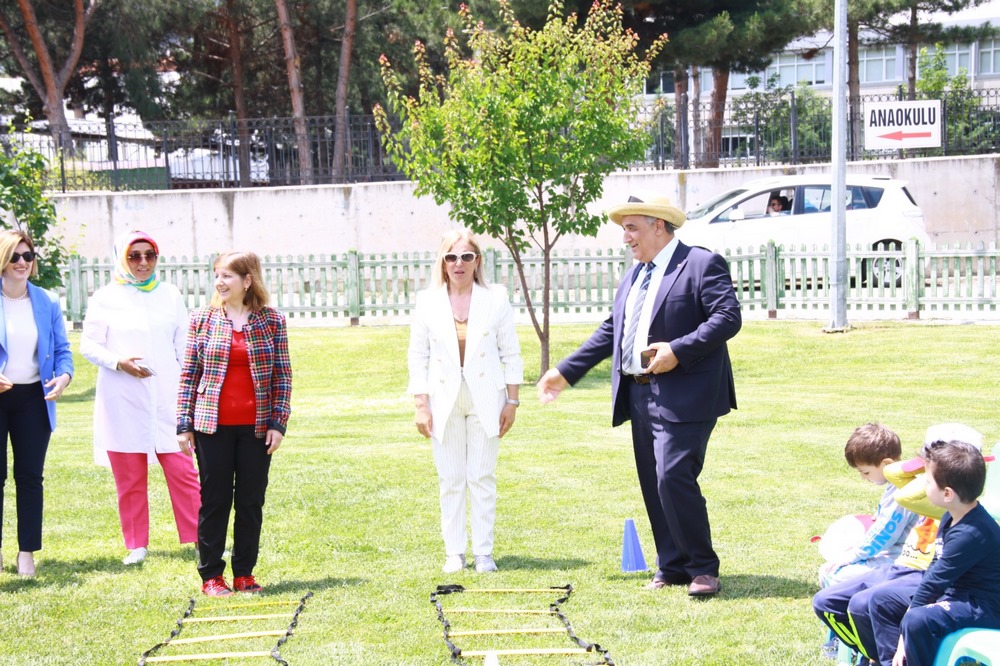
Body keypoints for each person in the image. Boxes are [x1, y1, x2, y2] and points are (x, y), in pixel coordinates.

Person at [537, 193, 741, 597]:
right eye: (624, 229)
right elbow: (613, 331)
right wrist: (566, 371)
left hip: (689, 393)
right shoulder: (633, 275)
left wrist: (677, 351)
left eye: (631, 227)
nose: (625, 237)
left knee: (672, 476)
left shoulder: (700, 264)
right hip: (640, 394)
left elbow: (727, 317)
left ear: (658, 226)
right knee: (653, 481)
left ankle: (703, 568)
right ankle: (673, 565)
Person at [813, 423, 982, 666]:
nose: (923, 479)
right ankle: (873, 653)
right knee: (829, 599)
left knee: (866, 600)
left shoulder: (966, 516)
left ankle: (879, 657)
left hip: (922, 575)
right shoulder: (930, 495)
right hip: (905, 565)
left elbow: (939, 577)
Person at [80, 231, 201, 566]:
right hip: (123, 397)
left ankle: (200, 538)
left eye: (150, 255)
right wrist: (118, 362)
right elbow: (88, 345)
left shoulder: (170, 295)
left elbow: (183, 346)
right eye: (135, 256)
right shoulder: (105, 297)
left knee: (183, 470)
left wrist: (188, 390)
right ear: (123, 258)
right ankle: (136, 544)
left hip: (167, 397)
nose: (143, 262)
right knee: (130, 475)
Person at [407, 230, 523, 574]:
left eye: (466, 257)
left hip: (487, 398)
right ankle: (454, 553)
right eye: (451, 257)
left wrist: (513, 402)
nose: (459, 264)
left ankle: (484, 552)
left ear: (478, 262)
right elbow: (418, 356)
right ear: (442, 263)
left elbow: (511, 352)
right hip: (443, 401)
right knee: (451, 478)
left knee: (482, 476)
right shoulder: (427, 301)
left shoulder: (496, 298)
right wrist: (421, 404)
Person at [177, 251, 292, 597]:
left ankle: (244, 574)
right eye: (217, 275)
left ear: (248, 280)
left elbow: (282, 377)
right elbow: (188, 375)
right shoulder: (202, 319)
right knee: (214, 500)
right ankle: (211, 576)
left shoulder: (272, 321)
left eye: (228, 276)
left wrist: (278, 422)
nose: (220, 282)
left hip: (257, 429)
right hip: (212, 427)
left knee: (250, 501)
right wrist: (184, 423)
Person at [0, 229, 73, 576]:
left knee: (30, 476)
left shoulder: (46, 301)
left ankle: (26, 552)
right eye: (15, 256)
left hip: (34, 398)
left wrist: (65, 376)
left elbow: (62, 352)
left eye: (28, 256)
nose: (22, 263)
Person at [891, 439, 1000, 666]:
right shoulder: (951, 516)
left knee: (916, 619)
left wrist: (903, 637)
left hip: (985, 606)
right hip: (958, 594)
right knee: (885, 601)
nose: (924, 484)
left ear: (948, 493)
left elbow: (935, 582)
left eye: (928, 481)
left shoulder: (971, 533)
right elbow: (934, 568)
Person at [819, 423, 918, 589]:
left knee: (834, 576)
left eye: (866, 472)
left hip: (903, 560)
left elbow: (884, 534)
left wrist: (852, 556)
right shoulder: (898, 484)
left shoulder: (901, 492)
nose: (864, 478)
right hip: (893, 553)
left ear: (886, 464)